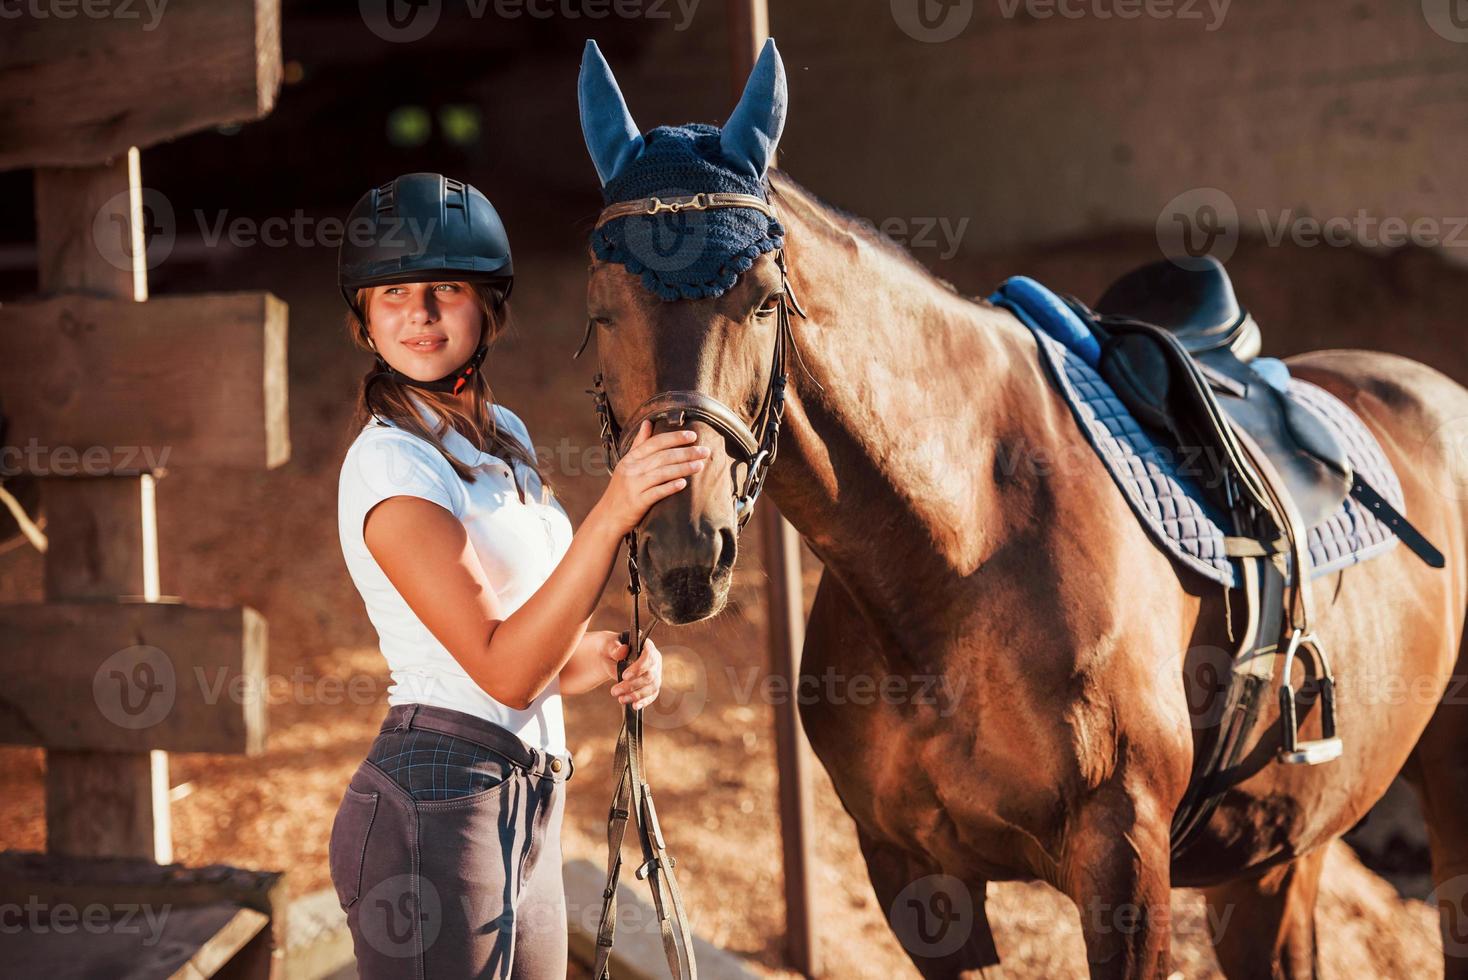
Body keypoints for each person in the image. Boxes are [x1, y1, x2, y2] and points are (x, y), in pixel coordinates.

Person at [326, 172, 710, 978]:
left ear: (488, 306)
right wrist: (613, 511)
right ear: (364, 318)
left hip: (530, 794)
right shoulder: (390, 467)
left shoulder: (502, 437)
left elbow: (529, 652)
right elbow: (499, 670)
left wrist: (600, 656)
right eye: (392, 293)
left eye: (445, 290)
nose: (420, 316)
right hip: (436, 803)